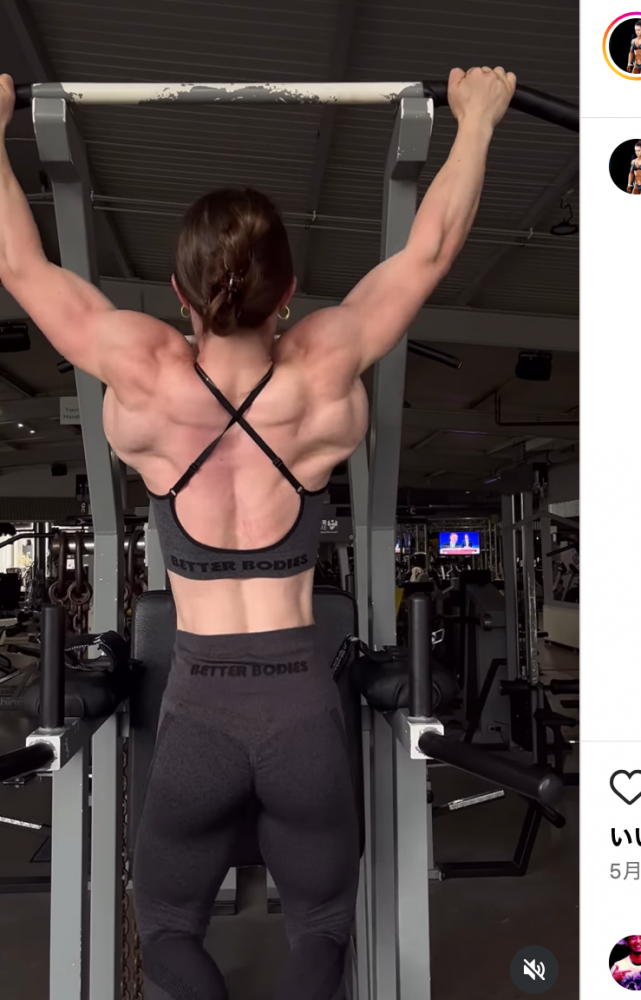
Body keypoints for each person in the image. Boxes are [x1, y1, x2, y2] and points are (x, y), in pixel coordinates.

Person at [0, 66, 516, 1000]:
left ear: (177, 292)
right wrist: (476, 121)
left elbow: (21, 269)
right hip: (301, 718)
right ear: (289, 294)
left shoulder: (142, 371)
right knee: (320, 933)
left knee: (167, 931)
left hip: (197, 712)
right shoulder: (322, 368)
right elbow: (430, 249)